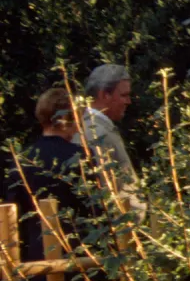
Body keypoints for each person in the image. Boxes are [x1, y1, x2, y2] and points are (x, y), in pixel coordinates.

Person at [5, 86, 87, 262]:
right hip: (79, 255)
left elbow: (11, 213)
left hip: (35, 258)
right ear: (68, 118)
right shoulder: (82, 157)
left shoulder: (22, 159)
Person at [81, 64, 145, 218]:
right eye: (124, 95)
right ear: (104, 95)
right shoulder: (96, 131)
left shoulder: (98, 126)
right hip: (119, 231)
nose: (128, 101)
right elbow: (106, 188)